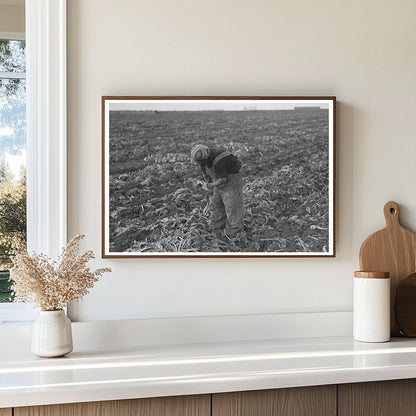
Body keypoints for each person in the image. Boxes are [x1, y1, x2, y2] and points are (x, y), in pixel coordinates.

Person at [190, 144, 244, 240]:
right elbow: (205, 171)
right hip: (219, 179)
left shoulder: (219, 159)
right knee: (217, 204)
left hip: (232, 179)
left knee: (232, 206)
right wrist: (207, 181)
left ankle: (234, 232)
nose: (199, 163)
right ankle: (218, 226)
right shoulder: (204, 160)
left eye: (200, 161)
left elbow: (222, 179)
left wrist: (210, 185)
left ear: (205, 158)